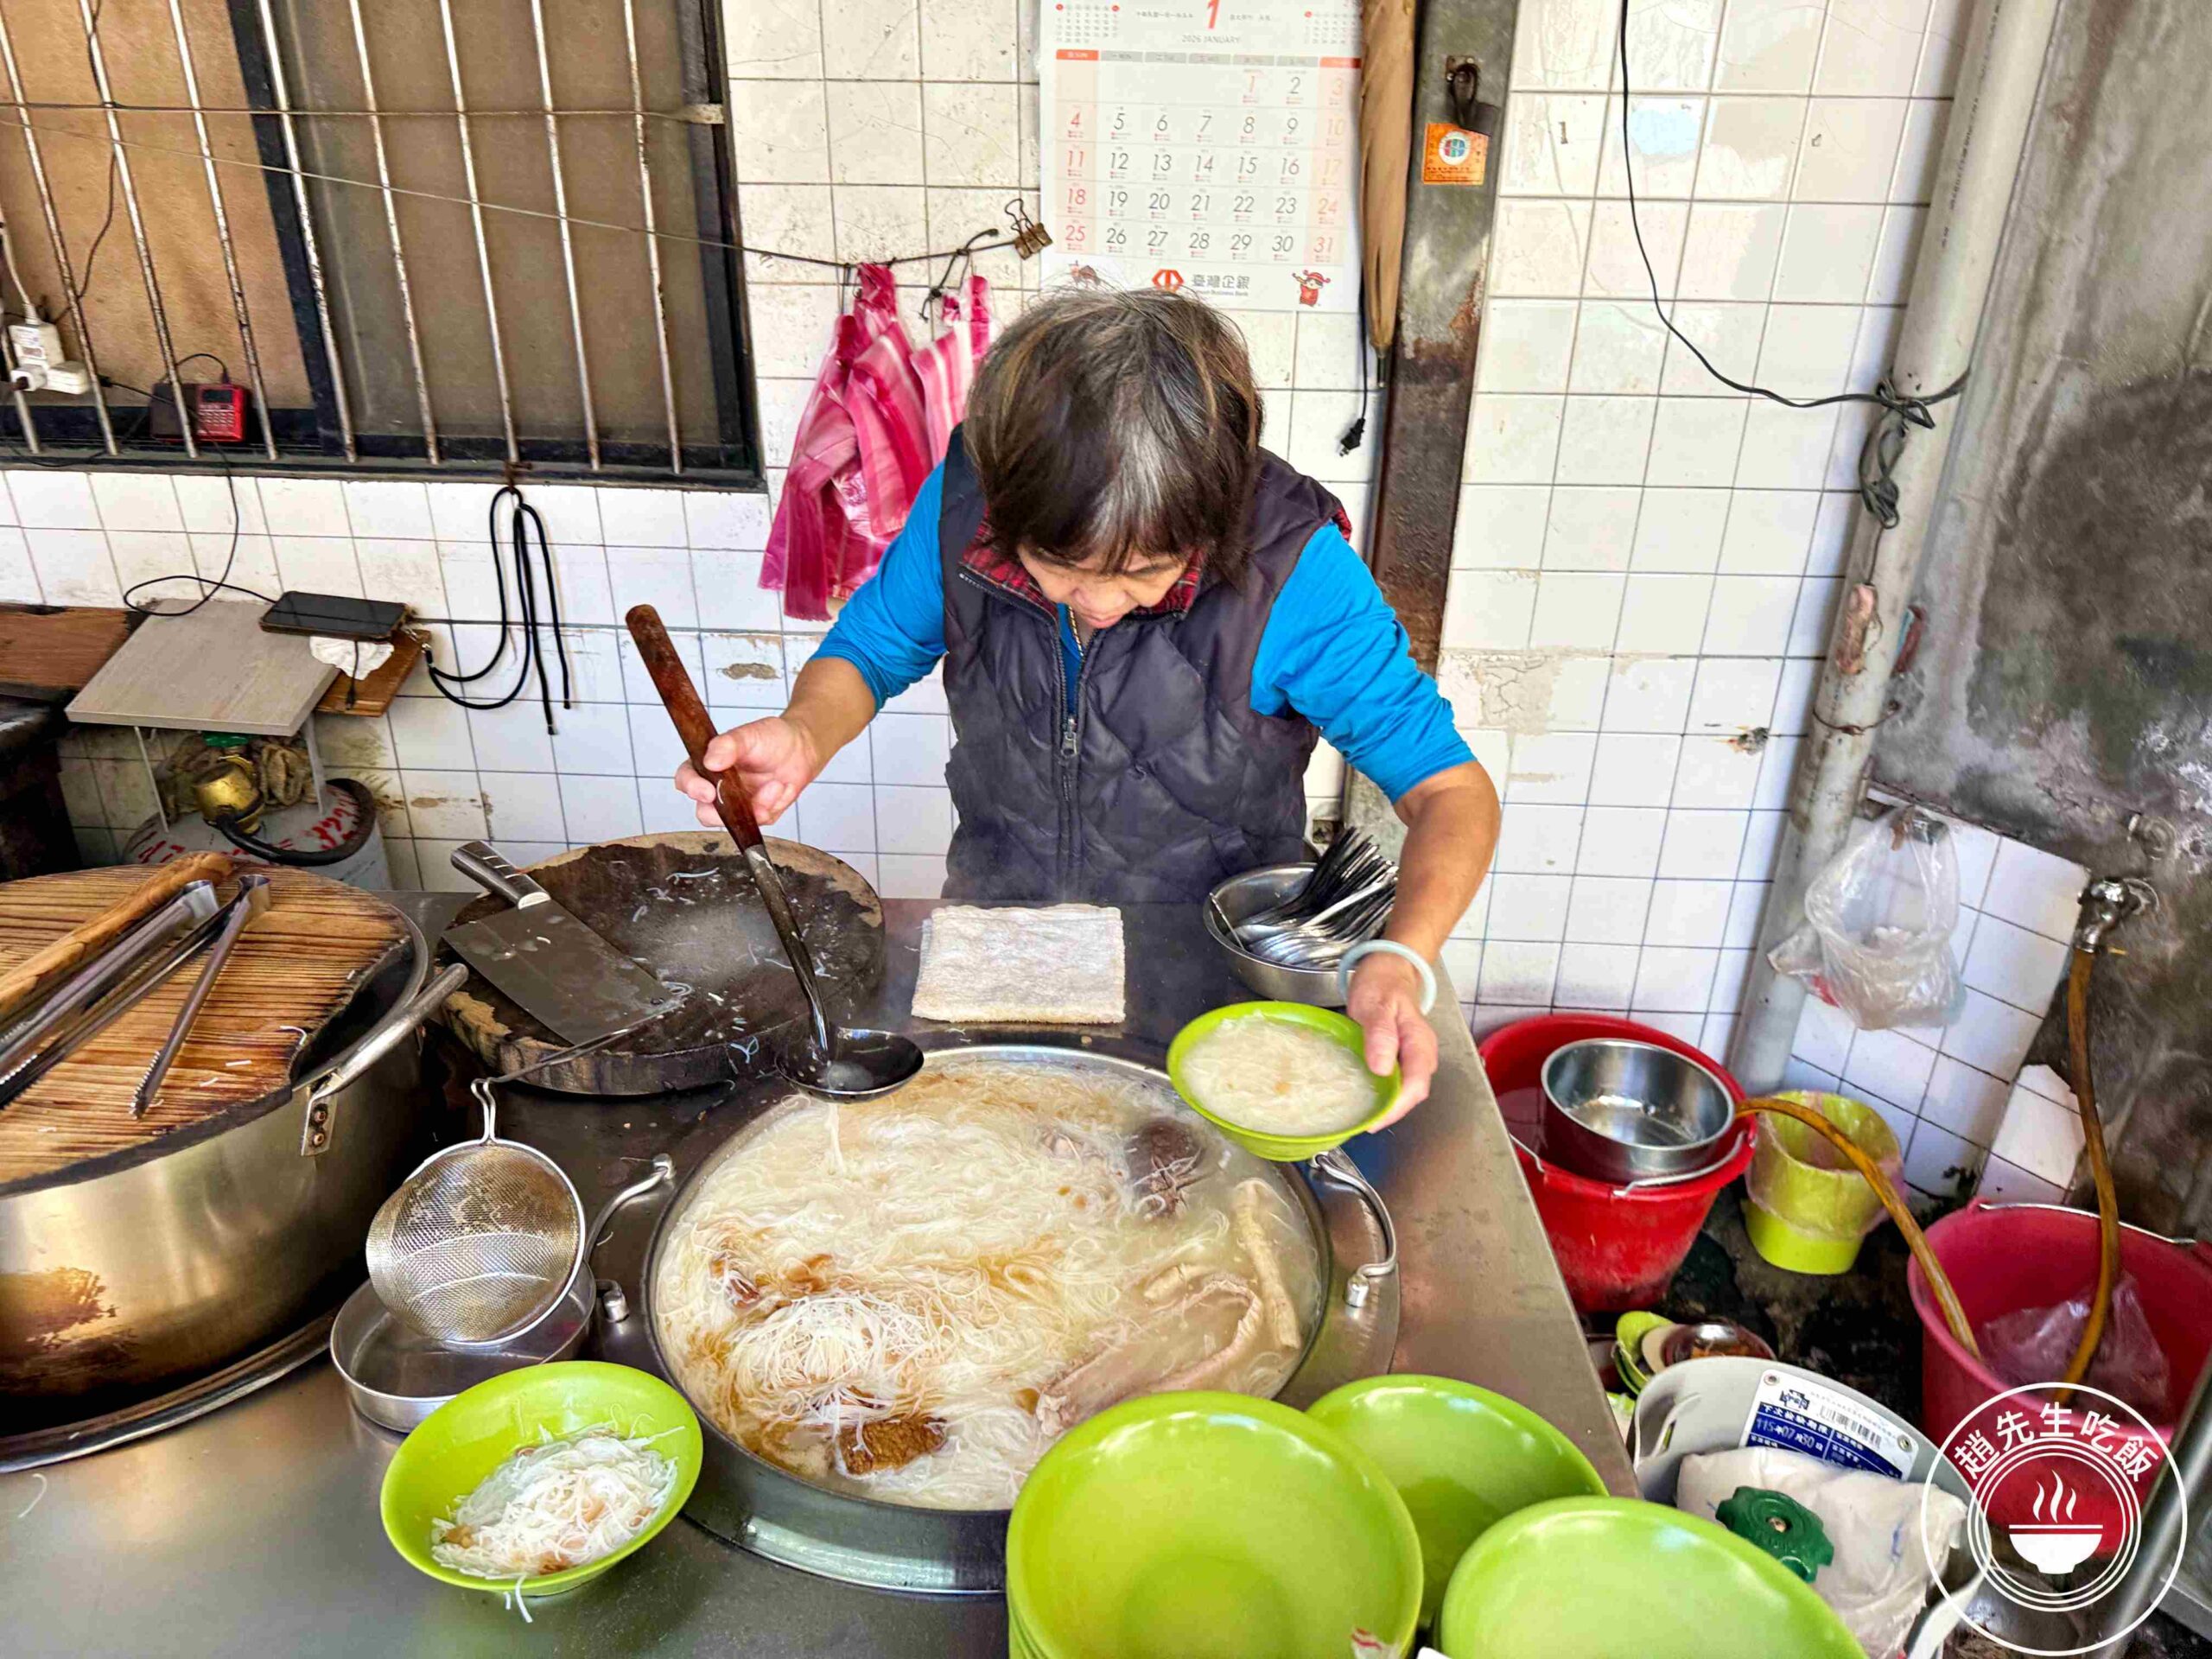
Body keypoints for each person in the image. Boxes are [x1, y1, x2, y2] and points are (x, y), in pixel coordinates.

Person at [677, 289, 1498, 1120]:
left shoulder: (1294, 569)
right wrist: (803, 733)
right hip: (1005, 941)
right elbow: (870, 650)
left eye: (1146, 572)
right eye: (1060, 566)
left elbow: (1449, 793)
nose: (1100, 603)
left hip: (1210, 971)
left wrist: (1405, 954)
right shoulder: (965, 503)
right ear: (1006, 510)